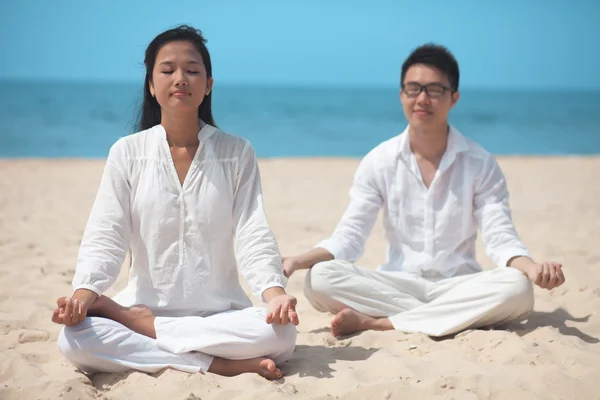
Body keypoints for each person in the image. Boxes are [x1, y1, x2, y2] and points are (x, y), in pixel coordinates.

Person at [52, 25, 298, 379]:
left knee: (281, 334)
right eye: (167, 70)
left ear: (208, 85)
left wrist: (274, 295)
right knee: (73, 340)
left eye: (192, 70)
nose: (180, 79)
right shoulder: (128, 153)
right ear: (152, 85)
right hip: (146, 303)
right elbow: (107, 233)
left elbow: (252, 231)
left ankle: (139, 326)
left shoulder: (236, 152)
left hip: (220, 316)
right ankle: (219, 364)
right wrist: (84, 295)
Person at [282, 43, 565, 338]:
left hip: (460, 283)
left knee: (518, 288)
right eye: (413, 88)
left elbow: (499, 236)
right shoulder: (379, 160)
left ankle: (382, 322)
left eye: (434, 89)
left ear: (454, 98)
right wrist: (296, 261)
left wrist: (531, 268)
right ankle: (455, 316)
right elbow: (349, 237)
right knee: (319, 279)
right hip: (396, 282)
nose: (422, 99)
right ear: (401, 95)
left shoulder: (480, 163)